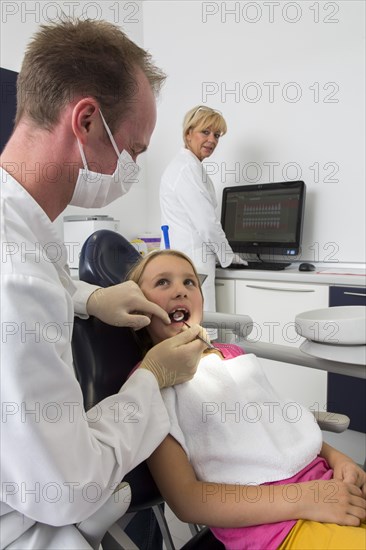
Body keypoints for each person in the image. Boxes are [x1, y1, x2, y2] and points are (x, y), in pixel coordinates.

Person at [0, 19, 207, 549]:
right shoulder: (16, 277)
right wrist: (153, 377)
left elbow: (43, 281)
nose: (132, 166)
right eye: (133, 150)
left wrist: (91, 297)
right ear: (87, 120)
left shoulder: (23, 229)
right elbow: (65, 488)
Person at [127, 249, 366, 550]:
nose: (180, 290)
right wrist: (307, 499)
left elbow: (284, 422)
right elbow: (188, 501)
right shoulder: (149, 385)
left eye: (190, 283)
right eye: (163, 282)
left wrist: (338, 458)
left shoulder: (233, 356)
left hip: (330, 486)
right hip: (279, 531)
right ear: (138, 309)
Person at [160, 105, 246, 339]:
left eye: (216, 135)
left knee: (194, 335)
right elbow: (207, 224)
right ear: (188, 133)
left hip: (190, 263)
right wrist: (229, 257)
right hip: (192, 265)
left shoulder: (190, 167)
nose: (212, 140)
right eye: (205, 132)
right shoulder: (186, 169)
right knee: (198, 337)